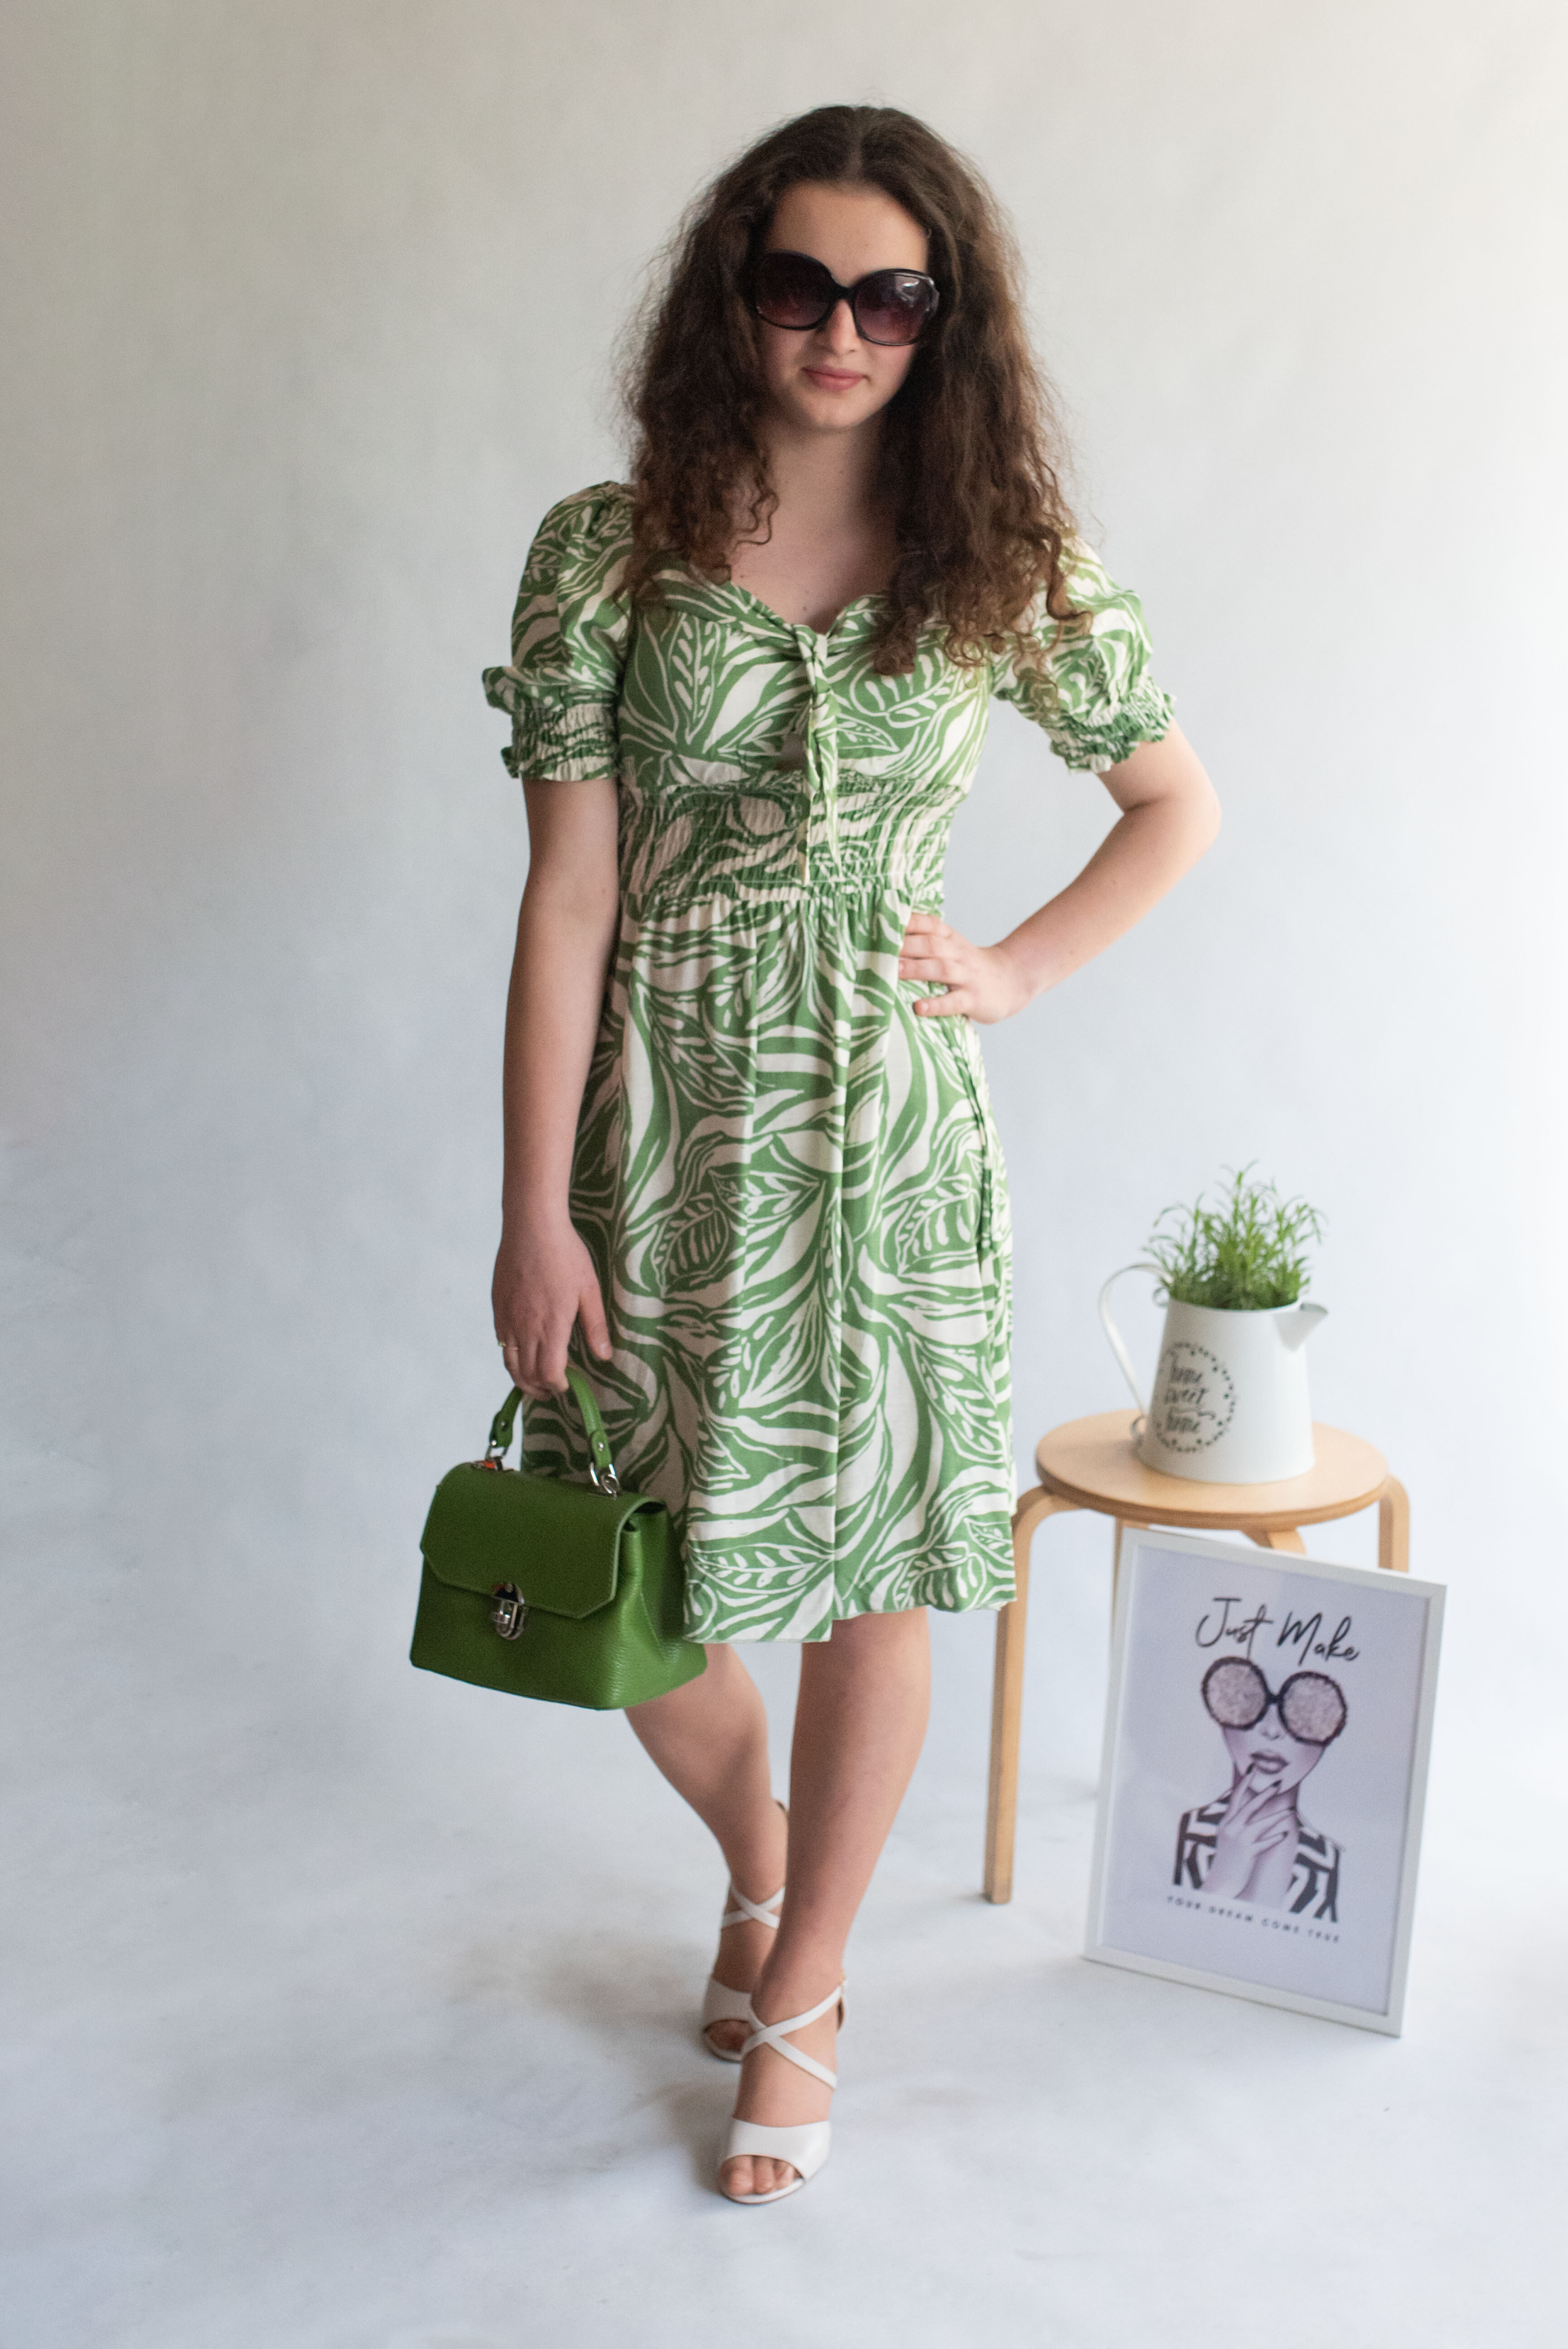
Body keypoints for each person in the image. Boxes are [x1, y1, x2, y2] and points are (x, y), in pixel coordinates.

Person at [484, 104, 1220, 2204]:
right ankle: (763, 1852)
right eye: (799, 283)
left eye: (891, 296)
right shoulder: (607, 550)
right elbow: (564, 900)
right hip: (656, 1127)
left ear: (943, 319)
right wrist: (531, 1205)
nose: (841, 329)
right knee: (631, 1558)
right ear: (735, 294)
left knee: (878, 1571)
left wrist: (1015, 966)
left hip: (890, 1143)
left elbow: (1172, 800)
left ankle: (805, 1981)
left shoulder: (1001, 557)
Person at [1174, 1657, 1345, 1918]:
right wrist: (1219, 1886)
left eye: (1305, 1711)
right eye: (1245, 1700)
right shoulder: (1176, 1830)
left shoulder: (1335, 1862)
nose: (1272, 1730)